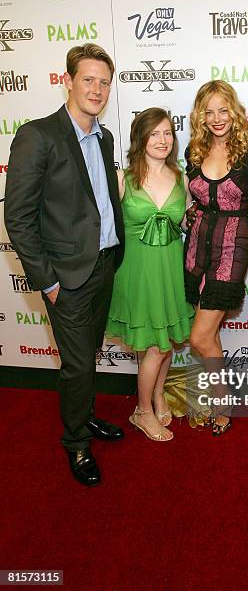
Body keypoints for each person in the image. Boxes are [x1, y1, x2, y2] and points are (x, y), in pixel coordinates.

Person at [4, 43, 125, 487]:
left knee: (87, 356)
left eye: (104, 82)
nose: (96, 89)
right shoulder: (38, 135)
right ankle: (75, 443)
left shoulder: (105, 136)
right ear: (67, 81)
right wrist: (47, 280)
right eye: (88, 79)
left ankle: (86, 415)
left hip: (105, 265)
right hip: (67, 278)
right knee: (75, 364)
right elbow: (17, 216)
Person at [184, 80, 248, 435]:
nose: (217, 118)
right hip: (196, 248)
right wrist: (189, 215)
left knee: (200, 338)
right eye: (209, 112)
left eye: (223, 110)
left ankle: (222, 400)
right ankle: (221, 403)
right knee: (211, 336)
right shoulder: (194, 150)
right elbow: (194, 200)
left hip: (232, 250)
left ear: (233, 112)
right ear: (200, 117)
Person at [106, 108, 194, 442]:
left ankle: (158, 395)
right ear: (140, 137)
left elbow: (186, 223)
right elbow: (104, 227)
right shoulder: (123, 178)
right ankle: (142, 411)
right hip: (137, 274)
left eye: (168, 133)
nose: (162, 140)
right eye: (154, 133)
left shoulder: (181, 176)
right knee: (155, 347)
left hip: (170, 271)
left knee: (167, 340)